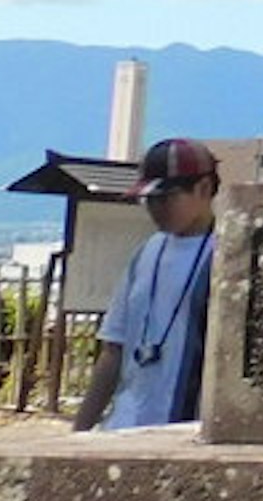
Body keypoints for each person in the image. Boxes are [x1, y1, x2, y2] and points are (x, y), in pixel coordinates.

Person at [73, 139, 221, 430]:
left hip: (183, 427)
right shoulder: (146, 252)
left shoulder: (226, 255)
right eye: (149, 200)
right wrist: (81, 429)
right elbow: (113, 348)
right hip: (124, 424)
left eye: (165, 198)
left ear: (203, 189)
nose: (155, 208)